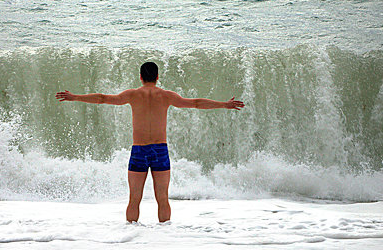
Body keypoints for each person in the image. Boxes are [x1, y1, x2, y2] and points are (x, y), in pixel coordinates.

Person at [56, 61, 244, 223]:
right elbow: (195, 103)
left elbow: (103, 99)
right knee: (162, 198)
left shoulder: (132, 94)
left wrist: (75, 97)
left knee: (134, 198)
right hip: (160, 151)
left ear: (140, 77)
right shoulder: (167, 95)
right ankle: (165, 237)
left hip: (139, 150)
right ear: (157, 76)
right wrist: (224, 104)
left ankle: (131, 238)